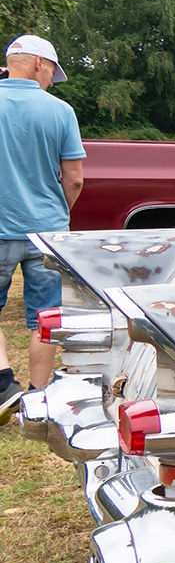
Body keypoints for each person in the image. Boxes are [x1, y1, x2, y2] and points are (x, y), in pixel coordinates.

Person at [0, 35, 85, 420]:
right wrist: (58, 213)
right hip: (46, 232)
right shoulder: (60, 111)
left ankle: (4, 382)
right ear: (36, 64)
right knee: (45, 317)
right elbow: (75, 179)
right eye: (52, 70)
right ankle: (37, 394)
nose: (52, 79)